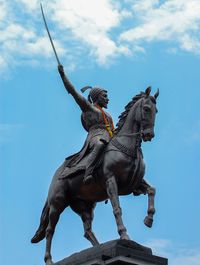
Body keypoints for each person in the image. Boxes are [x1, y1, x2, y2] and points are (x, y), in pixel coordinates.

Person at [58, 65, 115, 184]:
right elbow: (73, 92)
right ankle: (88, 172)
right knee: (100, 145)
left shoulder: (108, 115)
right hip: (96, 136)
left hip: (110, 136)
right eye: (104, 96)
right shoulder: (89, 108)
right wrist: (63, 76)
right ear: (96, 97)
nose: (107, 99)